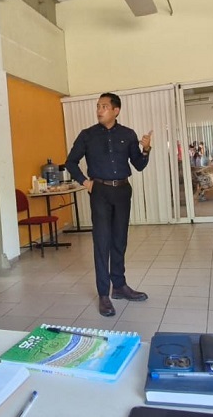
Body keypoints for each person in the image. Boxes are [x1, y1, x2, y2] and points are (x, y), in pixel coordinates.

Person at [65, 93, 153, 317]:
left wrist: (146, 149)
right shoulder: (87, 135)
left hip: (122, 190)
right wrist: (85, 182)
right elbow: (70, 162)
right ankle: (104, 294)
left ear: (116, 110)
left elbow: (139, 165)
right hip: (100, 192)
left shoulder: (128, 134)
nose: (99, 110)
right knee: (102, 242)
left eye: (104, 106)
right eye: (98, 106)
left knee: (119, 241)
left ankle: (120, 287)